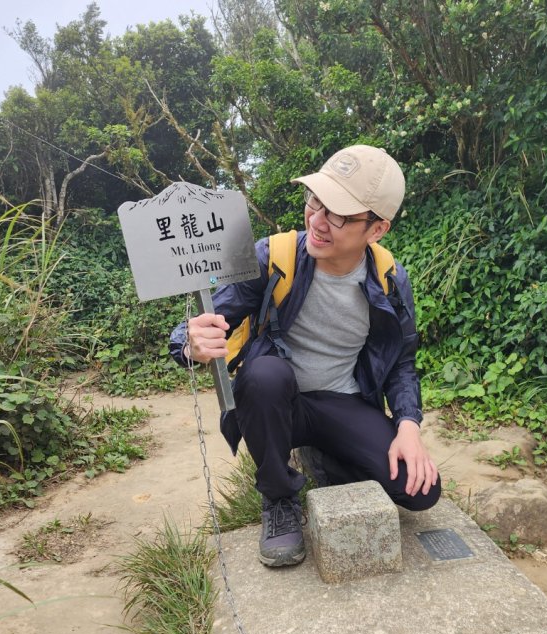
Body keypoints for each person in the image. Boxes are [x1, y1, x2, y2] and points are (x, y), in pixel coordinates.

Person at [170, 144, 441, 567]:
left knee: (421, 492)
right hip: (279, 404)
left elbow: (402, 361)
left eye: (338, 214)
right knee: (263, 376)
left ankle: (324, 453)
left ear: (377, 229)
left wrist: (408, 425)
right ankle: (279, 500)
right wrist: (190, 344)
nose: (317, 221)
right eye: (315, 201)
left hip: (343, 401)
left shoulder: (388, 277)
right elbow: (210, 319)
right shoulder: (272, 257)